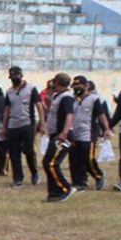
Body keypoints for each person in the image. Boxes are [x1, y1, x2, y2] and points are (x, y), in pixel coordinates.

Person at [2, 66, 46, 188]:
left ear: (21, 76)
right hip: (13, 125)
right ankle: (18, 179)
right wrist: (4, 126)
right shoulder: (9, 92)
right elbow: (6, 109)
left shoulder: (31, 88)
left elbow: (39, 105)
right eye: (11, 78)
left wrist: (42, 122)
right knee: (13, 153)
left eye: (15, 77)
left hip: (27, 124)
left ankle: (34, 172)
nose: (13, 80)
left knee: (28, 150)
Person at [68, 75, 112, 191]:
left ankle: (98, 176)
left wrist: (106, 129)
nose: (76, 88)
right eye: (75, 86)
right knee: (74, 159)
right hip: (74, 134)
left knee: (88, 158)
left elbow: (101, 115)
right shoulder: (73, 100)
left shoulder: (93, 99)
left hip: (88, 134)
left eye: (79, 85)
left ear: (86, 86)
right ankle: (79, 182)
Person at [42, 73, 76, 202]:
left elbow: (69, 115)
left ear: (57, 82)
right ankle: (54, 192)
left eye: (53, 82)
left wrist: (64, 132)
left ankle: (66, 188)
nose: (51, 84)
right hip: (55, 134)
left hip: (62, 135)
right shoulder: (58, 96)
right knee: (47, 163)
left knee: (51, 163)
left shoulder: (66, 97)